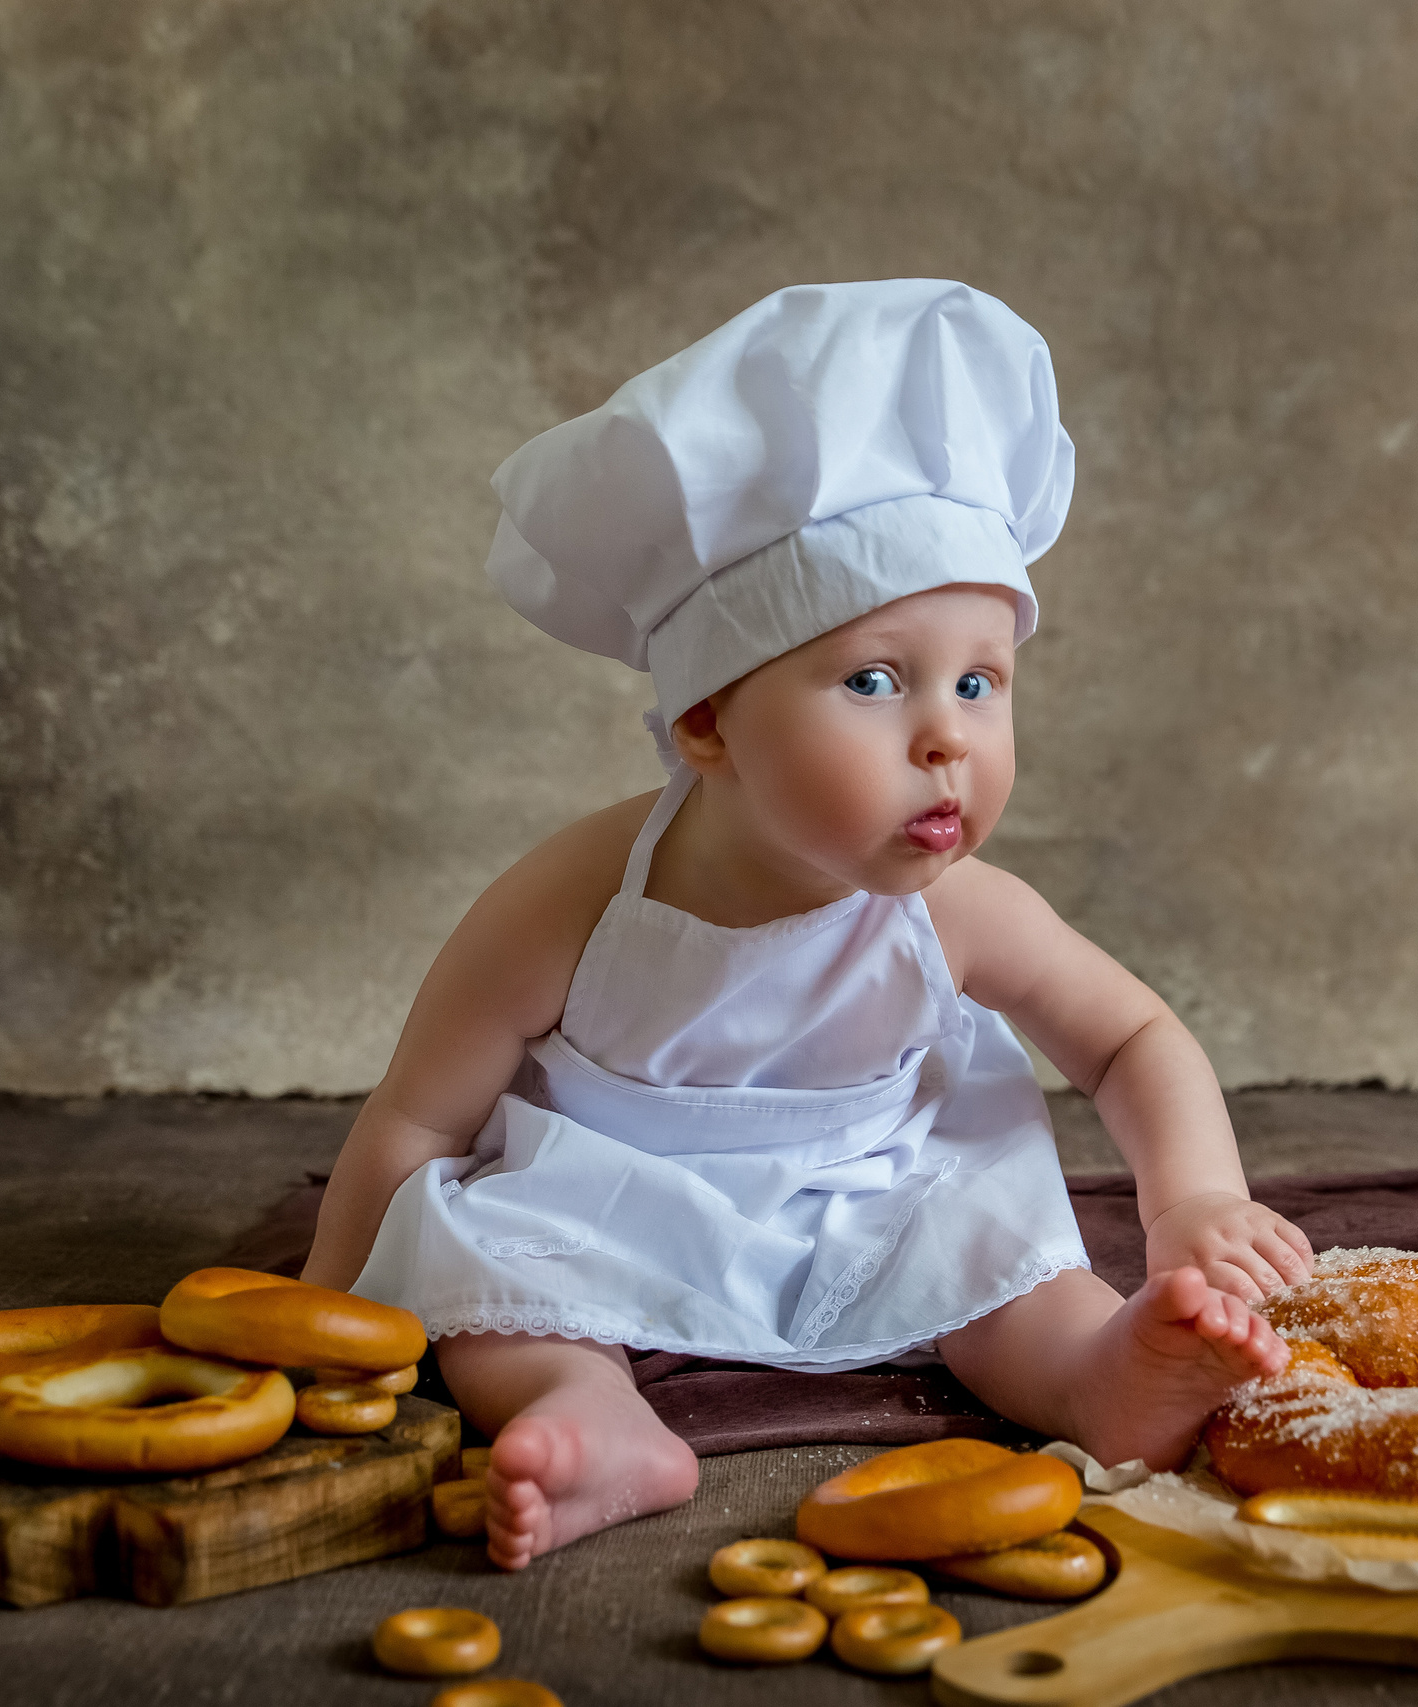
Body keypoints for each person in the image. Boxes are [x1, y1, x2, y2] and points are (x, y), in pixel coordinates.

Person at [301, 280, 1310, 1570]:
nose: (947, 734)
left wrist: (1194, 1199)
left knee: (999, 1268)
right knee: (485, 1275)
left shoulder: (955, 909)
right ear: (708, 723)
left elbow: (1128, 1037)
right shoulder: (579, 896)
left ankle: (1098, 1380)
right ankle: (593, 1414)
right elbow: (421, 1120)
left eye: (981, 682)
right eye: (876, 680)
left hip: (871, 1178)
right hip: (616, 1189)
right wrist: (318, 1309)